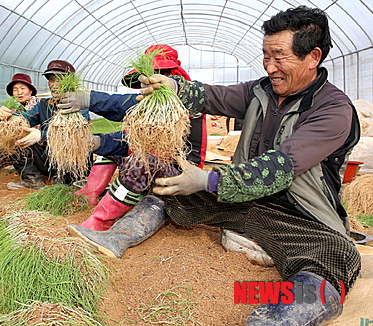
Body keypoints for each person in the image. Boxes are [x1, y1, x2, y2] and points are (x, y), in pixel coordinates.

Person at [67, 6, 361, 326]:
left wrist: (209, 180)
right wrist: (175, 88)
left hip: (297, 217)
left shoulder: (333, 109)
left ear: (312, 56)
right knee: (170, 185)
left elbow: (280, 167)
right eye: (265, 55)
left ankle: (271, 316)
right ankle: (117, 238)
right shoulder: (260, 91)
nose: (270, 66)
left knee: (331, 258)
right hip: (245, 201)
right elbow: (213, 95)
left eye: (279, 57)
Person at [62, 44, 208, 231]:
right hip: (148, 170)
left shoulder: (184, 105)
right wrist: (99, 142)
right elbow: (130, 138)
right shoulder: (147, 105)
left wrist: (90, 99)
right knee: (111, 150)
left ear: (172, 76)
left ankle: (100, 221)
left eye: (161, 74)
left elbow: (121, 104)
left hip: (180, 178)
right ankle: (89, 194)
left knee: (141, 161)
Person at [0, 61, 91, 189]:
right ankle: (32, 180)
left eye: (60, 79)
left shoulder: (79, 106)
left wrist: (41, 135)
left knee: (70, 149)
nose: (55, 84)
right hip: (48, 159)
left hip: (73, 163)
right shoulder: (44, 104)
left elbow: (74, 136)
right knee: (14, 138)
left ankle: (68, 179)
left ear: (71, 82)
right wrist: (8, 116)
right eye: (52, 79)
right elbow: (24, 119)